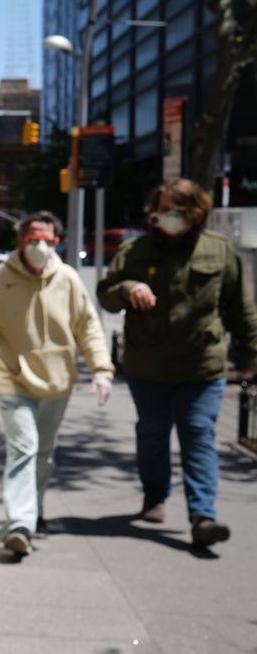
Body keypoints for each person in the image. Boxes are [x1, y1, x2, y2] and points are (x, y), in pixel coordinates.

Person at [97, 179, 257, 549]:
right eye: (162, 207)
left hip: (201, 368)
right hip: (147, 366)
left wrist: (249, 358)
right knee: (152, 436)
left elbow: (241, 309)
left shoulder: (219, 251)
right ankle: (155, 497)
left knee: (198, 434)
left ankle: (203, 517)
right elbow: (106, 296)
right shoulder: (133, 251)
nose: (165, 216)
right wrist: (127, 288)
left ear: (194, 213)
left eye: (175, 210)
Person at [0, 211, 114, 556]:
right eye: (33, 240)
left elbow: (88, 326)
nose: (41, 246)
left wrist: (102, 368)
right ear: (20, 242)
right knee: (23, 449)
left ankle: (35, 511)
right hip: (12, 379)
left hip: (57, 382)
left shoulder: (68, 279)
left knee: (43, 453)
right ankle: (20, 524)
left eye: (49, 240)